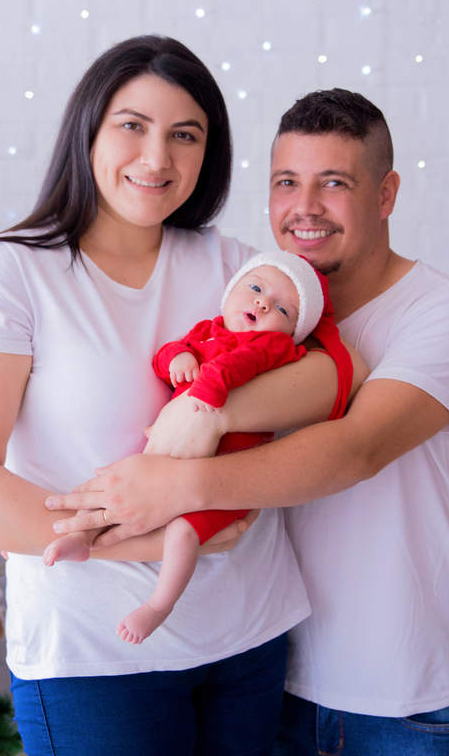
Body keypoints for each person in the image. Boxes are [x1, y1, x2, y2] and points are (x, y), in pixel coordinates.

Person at [0, 38, 362, 756]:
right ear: (88, 130)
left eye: (185, 135)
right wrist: (148, 537)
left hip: (248, 641)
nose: (157, 158)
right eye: (133, 126)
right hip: (96, 662)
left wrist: (209, 411)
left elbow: (336, 374)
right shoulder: (10, 274)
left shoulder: (235, 267)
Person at [48, 88, 449, 756]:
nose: (304, 207)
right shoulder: (259, 302)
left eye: (334, 183)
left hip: (409, 700)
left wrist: (178, 478)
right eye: (287, 182)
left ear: (386, 194)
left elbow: (356, 449)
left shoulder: (448, 313)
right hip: (271, 679)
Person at [44, 252, 354, 646]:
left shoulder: (277, 347)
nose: (262, 303)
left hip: (223, 476)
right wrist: (179, 357)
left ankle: (159, 604)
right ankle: (82, 537)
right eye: (255, 288)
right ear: (230, 293)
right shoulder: (208, 330)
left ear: (293, 331)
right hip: (170, 456)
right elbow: (165, 356)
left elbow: (242, 364)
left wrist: (207, 386)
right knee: (119, 483)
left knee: (182, 533)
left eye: (282, 309)